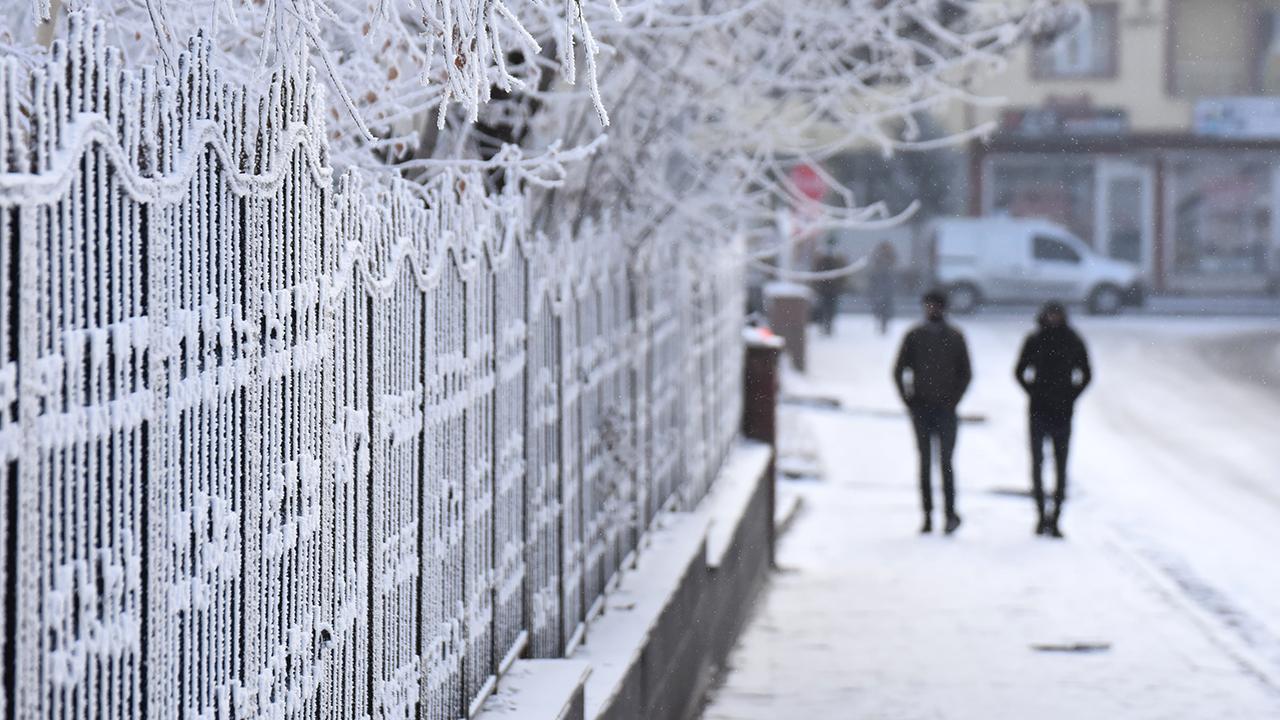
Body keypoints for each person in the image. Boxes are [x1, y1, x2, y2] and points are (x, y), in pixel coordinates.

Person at [893, 290, 972, 535]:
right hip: (922, 408)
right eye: (929, 305)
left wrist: (954, 399)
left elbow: (965, 373)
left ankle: (949, 514)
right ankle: (927, 515)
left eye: (936, 306)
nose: (932, 310)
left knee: (945, 463)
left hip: (945, 410)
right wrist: (909, 399)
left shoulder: (954, 337)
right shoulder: (915, 336)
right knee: (926, 463)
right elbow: (899, 370)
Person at [1015, 301, 1092, 539]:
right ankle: (1041, 515)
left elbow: (1086, 373)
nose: (1053, 318)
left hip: (1062, 411)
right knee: (1038, 464)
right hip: (1039, 410)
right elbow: (1019, 370)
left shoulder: (1072, 340)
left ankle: (1056, 517)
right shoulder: (1035, 339)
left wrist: (1070, 396)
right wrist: (1034, 392)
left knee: (1060, 467)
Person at [810, 240, 848, 336]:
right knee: (829, 308)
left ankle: (826, 326)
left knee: (826, 308)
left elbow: (816, 272)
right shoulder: (838, 257)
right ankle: (827, 326)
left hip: (826, 289)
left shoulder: (821, 257)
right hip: (830, 289)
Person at [867, 241, 897, 335]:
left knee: (886, 307)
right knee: (879, 306)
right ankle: (880, 322)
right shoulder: (878, 257)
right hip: (880, 288)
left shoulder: (890, 257)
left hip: (887, 288)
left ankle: (884, 324)